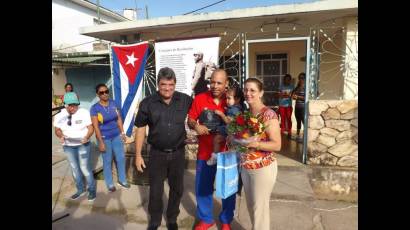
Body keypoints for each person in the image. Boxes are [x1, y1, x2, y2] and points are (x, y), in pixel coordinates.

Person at [134, 67, 193, 230]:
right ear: (157, 85)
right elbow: (140, 128)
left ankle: (172, 218)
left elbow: (198, 113)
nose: (167, 88)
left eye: (171, 85)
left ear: (175, 84)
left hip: (178, 153)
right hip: (157, 154)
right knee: (155, 190)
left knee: (177, 189)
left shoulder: (185, 100)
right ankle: (154, 220)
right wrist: (138, 155)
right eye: (163, 85)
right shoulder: (148, 103)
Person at [188, 69, 235, 230]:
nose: (214, 86)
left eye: (219, 83)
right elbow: (190, 120)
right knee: (203, 188)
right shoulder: (200, 98)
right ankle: (206, 219)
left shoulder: (232, 101)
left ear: (226, 84)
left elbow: (240, 122)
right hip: (205, 153)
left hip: (227, 154)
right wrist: (196, 125)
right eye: (212, 82)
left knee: (227, 189)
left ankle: (226, 220)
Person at [241, 77, 281, 230]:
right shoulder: (245, 115)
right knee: (252, 207)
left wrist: (256, 144)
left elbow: (277, 145)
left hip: (263, 168)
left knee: (260, 210)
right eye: (246, 90)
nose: (248, 93)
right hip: (246, 167)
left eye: (252, 90)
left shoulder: (268, 114)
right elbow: (241, 139)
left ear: (261, 93)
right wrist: (235, 139)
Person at [53, 92, 97, 202]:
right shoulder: (59, 115)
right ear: (65, 105)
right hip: (68, 146)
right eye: (70, 105)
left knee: (84, 168)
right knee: (74, 168)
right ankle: (80, 190)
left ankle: (92, 190)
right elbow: (57, 130)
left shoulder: (84, 112)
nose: (73, 107)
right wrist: (61, 136)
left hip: (83, 144)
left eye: (75, 105)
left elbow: (91, 128)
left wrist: (87, 136)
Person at [90, 84, 130, 192]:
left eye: (106, 91)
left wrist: (122, 132)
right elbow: (96, 127)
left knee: (121, 158)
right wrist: (101, 142)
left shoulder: (114, 103)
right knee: (107, 160)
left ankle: (122, 180)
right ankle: (109, 183)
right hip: (104, 137)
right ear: (97, 94)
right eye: (101, 92)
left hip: (116, 135)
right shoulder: (95, 108)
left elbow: (118, 119)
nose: (105, 94)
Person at [207, 86, 245, 166]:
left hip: (230, 130)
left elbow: (229, 122)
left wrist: (221, 114)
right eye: (226, 98)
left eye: (229, 98)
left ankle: (215, 157)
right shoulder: (237, 108)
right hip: (233, 132)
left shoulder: (234, 110)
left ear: (237, 99)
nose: (226, 101)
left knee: (217, 139)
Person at [278, 74, 294, 139]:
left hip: (288, 105)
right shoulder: (281, 86)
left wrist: (284, 95)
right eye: (286, 79)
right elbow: (278, 94)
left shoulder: (292, 86)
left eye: (288, 79)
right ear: (284, 80)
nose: (287, 80)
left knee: (289, 118)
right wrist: (287, 95)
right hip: (282, 105)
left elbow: (292, 95)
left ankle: (289, 132)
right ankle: (282, 131)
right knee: (282, 118)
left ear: (290, 80)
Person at [291, 72, 306, 142]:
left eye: (302, 78)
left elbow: (306, 98)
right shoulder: (297, 87)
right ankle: (297, 135)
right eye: (299, 78)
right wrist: (293, 96)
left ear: (305, 79)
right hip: (297, 107)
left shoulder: (306, 87)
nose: (301, 79)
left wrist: (298, 97)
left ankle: (305, 137)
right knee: (298, 121)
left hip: (303, 107)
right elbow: (293, 95)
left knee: (304, 122)